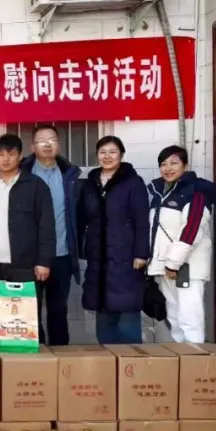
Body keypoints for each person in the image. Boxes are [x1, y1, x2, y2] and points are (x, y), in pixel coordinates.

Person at [77, 136, 150, 343]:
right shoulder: (91, 184)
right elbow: (81, 217)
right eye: (102, 152)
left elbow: (142, 220)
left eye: (112, 152)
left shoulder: (132, 182)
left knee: (127, 312)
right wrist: (83, 247)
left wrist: (141, 253)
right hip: (98, 256)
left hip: (126, 255)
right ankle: (107, 357)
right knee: (103, 312)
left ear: (121, 155)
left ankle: (131, 359)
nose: (107, 156)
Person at [0, 133, 56, 329]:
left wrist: (43, 261)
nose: (6, 159)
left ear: (20, 156)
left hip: (26, 266)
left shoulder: (36, 186)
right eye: (1, 154)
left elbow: (46, 225)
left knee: (27, 321)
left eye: (11, 154)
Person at [147, 145, 216, 343]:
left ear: (185, 166)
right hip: (166, 267)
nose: (168, 168)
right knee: (174, 319)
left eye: (174, 163)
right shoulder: (160, 193)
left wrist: (173, 263)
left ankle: (194, 360)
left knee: (189, 319)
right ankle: (182, 358)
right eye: (163, 164)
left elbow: (192, 229)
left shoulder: (197, 191)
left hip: (186, 267)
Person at [21, 124, 83, 346]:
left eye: (52, 140)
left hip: (61, 254)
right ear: (32, 146)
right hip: (30, 256)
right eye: (41, 141)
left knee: (58, 311)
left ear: (59, 144)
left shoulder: (69, 175)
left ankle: (61, 359)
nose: (47, 144)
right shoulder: (23, 174)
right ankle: (37, 360)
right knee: (30, 312)